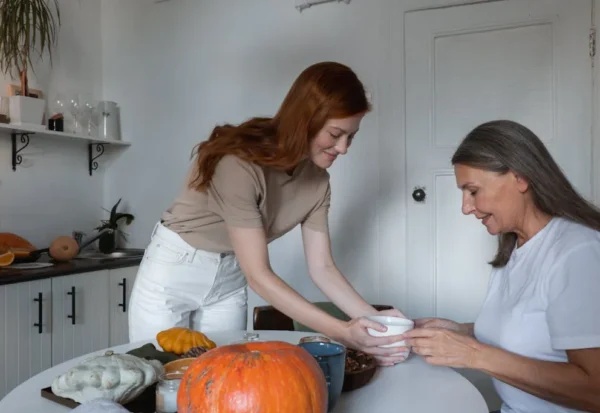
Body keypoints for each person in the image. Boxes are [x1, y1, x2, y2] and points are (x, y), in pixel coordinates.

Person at [128, 61, 408, 366]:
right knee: (160, 375)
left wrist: (375, 320)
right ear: (305, 119)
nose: (343, 148)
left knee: (224, 375)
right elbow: (259, 275)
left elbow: (323, 268)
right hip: (175, 268)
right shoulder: (237, 163)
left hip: (230, 276)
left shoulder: (318, 183)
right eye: (335, 134)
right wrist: (341, 331)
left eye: (351, 137)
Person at [400, 120, 600, 412]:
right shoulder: (515, 247)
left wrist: (471, 354)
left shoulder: (577, 252)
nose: (465, 207)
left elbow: (595, 391)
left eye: (472, 190)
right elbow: (533, 334)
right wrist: (461, 331)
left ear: (519, 178)